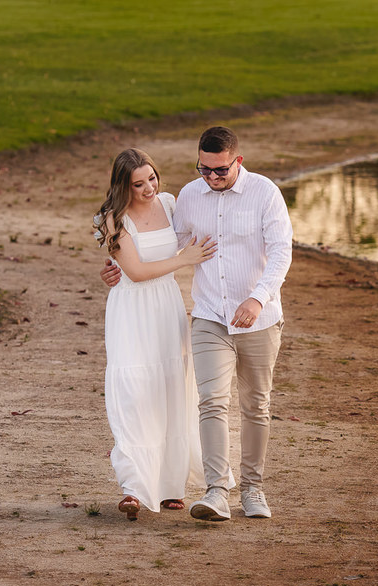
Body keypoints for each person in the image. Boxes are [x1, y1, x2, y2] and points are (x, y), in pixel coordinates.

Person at [101, 126, 293, 521]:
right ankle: (216, 491)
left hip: (259, 318)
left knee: (255, 405)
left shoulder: (264, 193)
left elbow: (280, 252)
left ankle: (253, 490)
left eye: (219, 170)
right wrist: (118, 265)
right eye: (203, 169)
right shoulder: (188, 197)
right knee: (210, 403)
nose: (211, 177)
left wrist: (258, 298)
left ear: (237, 161)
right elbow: (168, 246)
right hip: (208, 317)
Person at [93, 148, 216, 521]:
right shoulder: (112, 218)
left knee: (170, 388)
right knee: (134, 392)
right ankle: (133, 486)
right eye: (138, 183)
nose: (149, 188)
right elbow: (135, 271)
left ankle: (170, 485)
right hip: (131, 311)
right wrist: (185, 259)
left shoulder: (169, 202)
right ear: (123, 186)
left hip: (166, 307)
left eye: (152, 178)